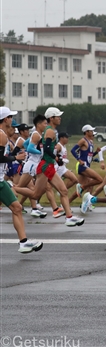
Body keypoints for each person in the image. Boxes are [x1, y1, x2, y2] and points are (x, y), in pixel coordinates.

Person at [14, 107, 84, 226]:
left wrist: (55, 154)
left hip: (49, 165)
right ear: (52, 118)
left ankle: (69, 217)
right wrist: (57, 157)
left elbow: (43, 146)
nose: (60, 118)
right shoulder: (50, 131)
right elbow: (46, 148)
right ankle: (12, 188)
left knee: (63, 191)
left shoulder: (49, 130)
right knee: (36, 194)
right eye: (58, 116)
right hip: (45, 166)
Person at [0, 107, 43, 253]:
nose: (12, 120)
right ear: (5, 119)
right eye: (10, 117)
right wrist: (15, 158)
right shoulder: (1, 135)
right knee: (16, 208)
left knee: (17, 208)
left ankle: (23, 242)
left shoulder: (3, 135)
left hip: (1, 181)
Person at [69, 125, 104, 202]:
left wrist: (96, 153)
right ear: (86, 132)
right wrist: (79, 160)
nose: (92, 133)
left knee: (88, 188)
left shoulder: (90, 142)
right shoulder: (83, 140)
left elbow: (89, 157)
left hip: (87, 166)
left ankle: (66, 204)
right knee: (99, 180)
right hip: (83, 167)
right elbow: (73, 150)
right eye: (91, 131)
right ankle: (82, 188)